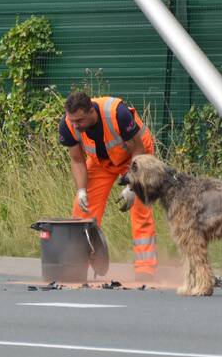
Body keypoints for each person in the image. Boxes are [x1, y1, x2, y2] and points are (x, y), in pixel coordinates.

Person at [58, 91, 157, 277]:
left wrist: (132, 185)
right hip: (101, 163)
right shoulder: (68, 125)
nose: (75, 125)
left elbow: (139, 148)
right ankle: (77, 267)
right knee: (82, 213)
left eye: (79, 120)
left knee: (140, 208)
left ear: (91, 112)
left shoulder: (117, 113)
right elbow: (77, 160)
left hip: (136, 157)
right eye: (72, 120)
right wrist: (81, 191)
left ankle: (145, 269)